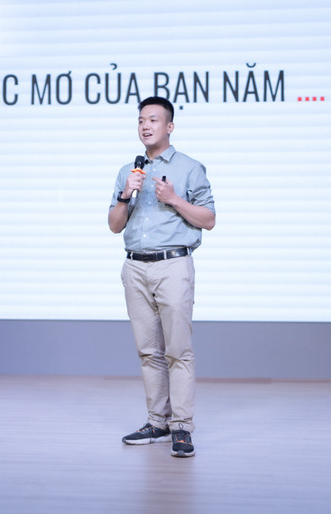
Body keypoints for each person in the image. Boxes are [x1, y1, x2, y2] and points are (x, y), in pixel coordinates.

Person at [108, 96, 216, 458]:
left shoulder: (189, 168)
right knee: (148, 351)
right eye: (141, 120)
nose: (145, 126)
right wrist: (125, 194)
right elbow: (114, 225)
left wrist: (174, 199)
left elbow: (209, 220)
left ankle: (181, 427)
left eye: (153, 120)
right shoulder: (129, 171)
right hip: (135, 267)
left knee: (178, 351)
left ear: (169, 126)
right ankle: (157, 422)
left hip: (172, 265)